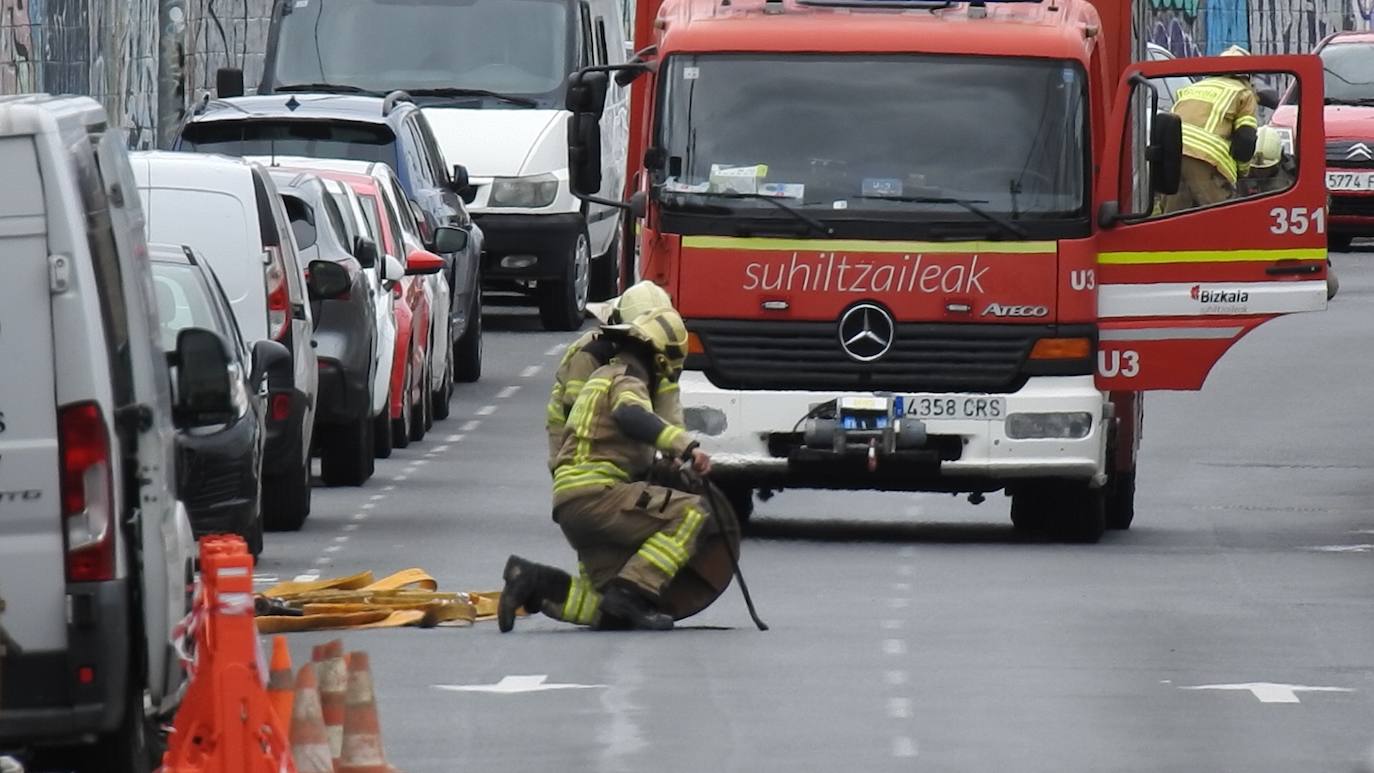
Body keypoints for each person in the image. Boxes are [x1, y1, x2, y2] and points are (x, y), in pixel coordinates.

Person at [501, 307, 711, 632]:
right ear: (660, 362)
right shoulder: (627, 379)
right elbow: (630, 414)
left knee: (607, 608)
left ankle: (533, 583)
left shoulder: (599, 377)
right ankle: (630, 592)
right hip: (600, 497)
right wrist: (684, 445)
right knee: (691, 513)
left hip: (571, 504)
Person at [545, 280, 684, 468]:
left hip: (625, 430)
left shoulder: (659, 357)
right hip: (567, 433)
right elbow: (574, 408)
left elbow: (669, 412)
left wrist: (677, 451)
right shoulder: (589, 352)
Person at [1160, 45, 1260, 213]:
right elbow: (1246, 139)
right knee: (1221, 218)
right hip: (1204, 160)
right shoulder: (1243, 93)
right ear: (1246, 74)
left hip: (1171, 156)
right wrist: (1243, 172)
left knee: (1172, 220)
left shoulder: (1192, 88)